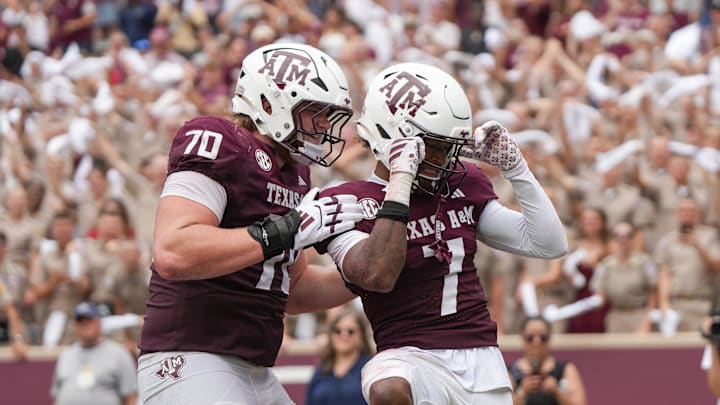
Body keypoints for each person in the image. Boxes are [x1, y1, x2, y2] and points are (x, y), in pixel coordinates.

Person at [313, 63, 568, 405]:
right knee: (387, 387)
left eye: (449, 147)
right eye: (433, 146)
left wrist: (516, 169)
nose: (445, 160)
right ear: (391, 135)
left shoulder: (461, 184)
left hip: (480, 361)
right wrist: (400, 183)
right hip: (408, 354)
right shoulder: (350, 201)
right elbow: (377, 275)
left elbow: (548, 243)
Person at [137, 43, 364, 405]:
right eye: (314, 111)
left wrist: (365, 274)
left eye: (328, 114)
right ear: (270, 103)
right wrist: (286, 229)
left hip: (253, 368)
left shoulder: (295, 172)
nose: (324, 124)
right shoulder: (218, 140)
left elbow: (297, 286)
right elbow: (173, 250)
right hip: (192, 356)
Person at [51, 302, 138, 405]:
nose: (85, 325)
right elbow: (57, 396)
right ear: (75, 326)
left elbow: (131, 397)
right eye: (81, 321)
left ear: (99, 323)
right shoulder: (66, 355)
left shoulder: (118, 353)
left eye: (89, 320)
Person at [510, 316, 587, 405]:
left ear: (550, 338)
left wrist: (556, 391)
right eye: (530, 337)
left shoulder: (565, 369)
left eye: (543, 337)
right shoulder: (511, 372)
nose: (537, 342)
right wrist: (522, 392)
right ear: (522, 338)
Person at [306, 308, 373, 405]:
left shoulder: (369, 369)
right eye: (338, 331)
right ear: (331, 334)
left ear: (361, 336)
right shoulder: (322, 369)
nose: (343, 335)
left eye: (350, 331)